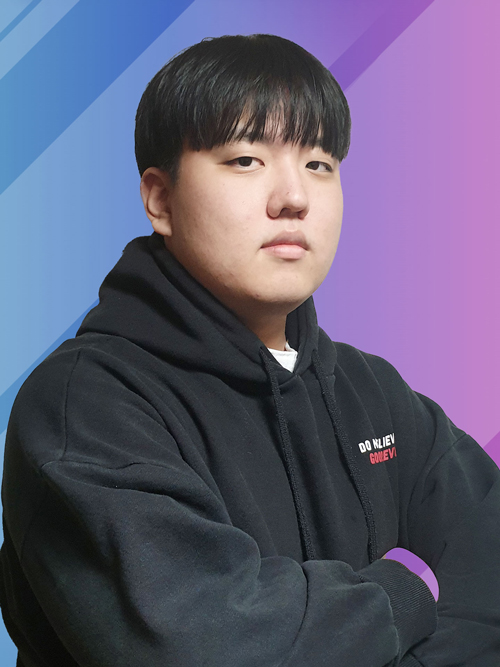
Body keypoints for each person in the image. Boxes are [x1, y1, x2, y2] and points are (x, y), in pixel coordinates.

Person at [0, 33, 499, 667]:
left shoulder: (375, 392)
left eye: (319, 163)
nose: (294, 197)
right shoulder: (85, 405)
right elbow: (203, 644)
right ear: (160, 199)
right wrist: (404, 592)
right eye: (245, 159)